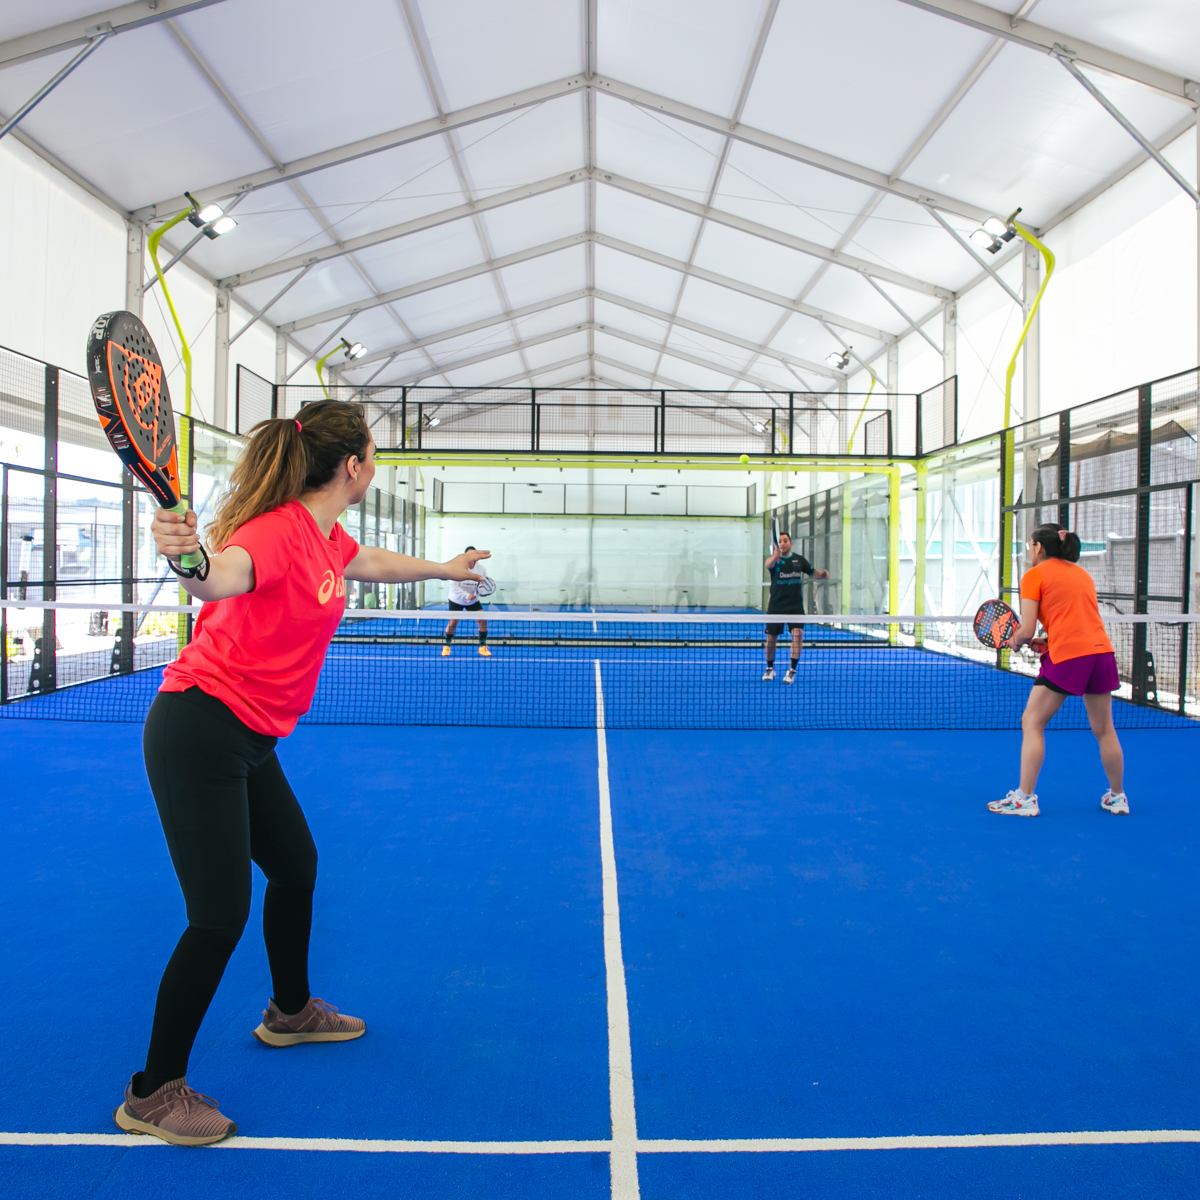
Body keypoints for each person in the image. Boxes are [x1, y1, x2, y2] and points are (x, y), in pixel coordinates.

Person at [114, 402, 489, 1146]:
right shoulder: (276, 530)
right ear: (352, 468)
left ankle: (289, 1013)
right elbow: (215, 579)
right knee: (218, 915)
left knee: (295, 866)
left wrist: (443, 569)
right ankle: (153, 1092)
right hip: (200, 729)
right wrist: (183, 555)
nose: (375, 464)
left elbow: (370, 563)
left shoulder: (325, 534)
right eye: (374, 454)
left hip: (249, 736)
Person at [989, 522, 1128, 818]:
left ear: (1039, 547)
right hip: (1101, 653)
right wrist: (1049, 642)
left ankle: (1025, 798)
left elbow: (1024, 630)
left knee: (1032, 722)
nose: (1029, 550)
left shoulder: (1034, 575)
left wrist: (1015, 641)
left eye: (1030, 545)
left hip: (1070, 656)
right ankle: (1118, 797)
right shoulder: (1082, 574)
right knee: (1104, 729)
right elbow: (1077, 621)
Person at [763, 531, 828, 683]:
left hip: (795, 606)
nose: (783, 543)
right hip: (776, 606)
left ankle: (792, 670)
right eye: (780, 541)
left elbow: (813, 572)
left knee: (798, 634)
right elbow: (767, 564)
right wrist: (775, 555)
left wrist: (822, 575)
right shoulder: (775, 561)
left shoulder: (799, 560)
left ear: (791, 543)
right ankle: (770, 668)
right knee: (771, 638)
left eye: (785, 540)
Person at [443, 545, 491, 656]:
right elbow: (454, 586)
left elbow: (482, 584)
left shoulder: (481, 569)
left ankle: (482, 646)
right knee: (453, 622)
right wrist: (467, 595)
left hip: (472, 601)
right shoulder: (458, 567)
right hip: (456, 599)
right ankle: (447, 645)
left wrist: (476, 594)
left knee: (482, 620)